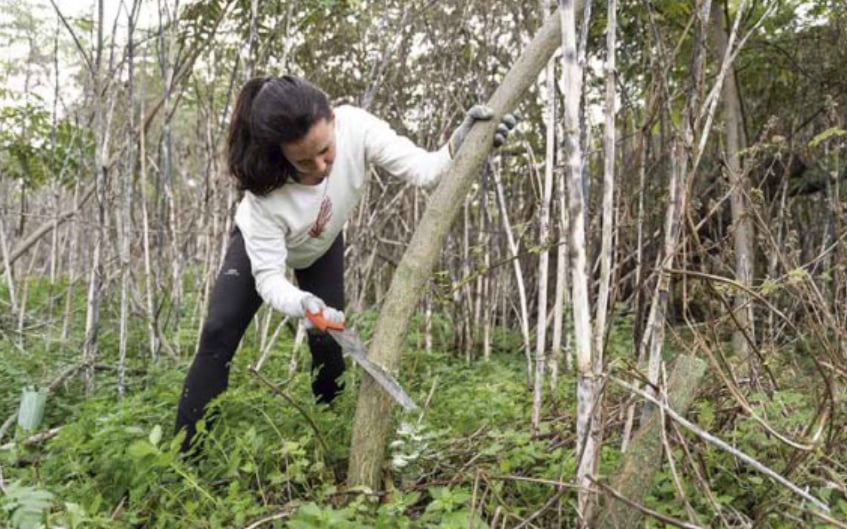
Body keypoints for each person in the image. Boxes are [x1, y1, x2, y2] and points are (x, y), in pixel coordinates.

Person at [174, 74, 516, 453]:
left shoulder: (355, 125)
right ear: (280, 154)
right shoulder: (263, 196)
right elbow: (269, 279)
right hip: (261, 250)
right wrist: (301, 302)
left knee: (328, 341)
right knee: (218, 333)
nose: (321, 167)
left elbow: (424, 170)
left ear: (333, 121)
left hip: (320, 244)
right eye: (304, 161)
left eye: (326, 151)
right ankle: (187, 454)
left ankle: (329, 435)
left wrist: (462, 144)